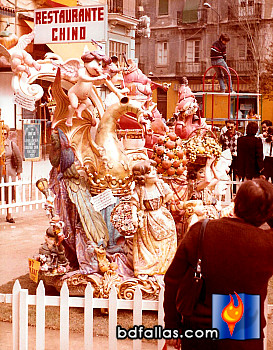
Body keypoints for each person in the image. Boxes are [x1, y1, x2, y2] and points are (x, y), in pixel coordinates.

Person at [164, 178, 273, 350]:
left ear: (236, 201)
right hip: (242, 328)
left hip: (200, 329)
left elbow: (172, 280)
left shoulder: (202, 230)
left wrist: (172, 325)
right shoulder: (268, 243)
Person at [130, 160, 177, 278]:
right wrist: (135, 216)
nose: (154, 173)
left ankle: (164, 265)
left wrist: (162, 205)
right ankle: (148, 265)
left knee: (166, 240)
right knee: (148, 244)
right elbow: (134, 203)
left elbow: (169, 194)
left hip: (161, 215)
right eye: (150, 172)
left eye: (153, 171)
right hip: (147, 219)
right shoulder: (140, 190)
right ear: (142, 177)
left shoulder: (160, 185)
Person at [1, 124, 22, 223]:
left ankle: (9, 215)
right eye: (1, 133)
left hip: (10, 172)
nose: (3, 135)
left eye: (5, 133)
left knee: (9, 193)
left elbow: (19, 158)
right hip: (0, 172)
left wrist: (18, 172)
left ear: (8, 134)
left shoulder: (12, 144)